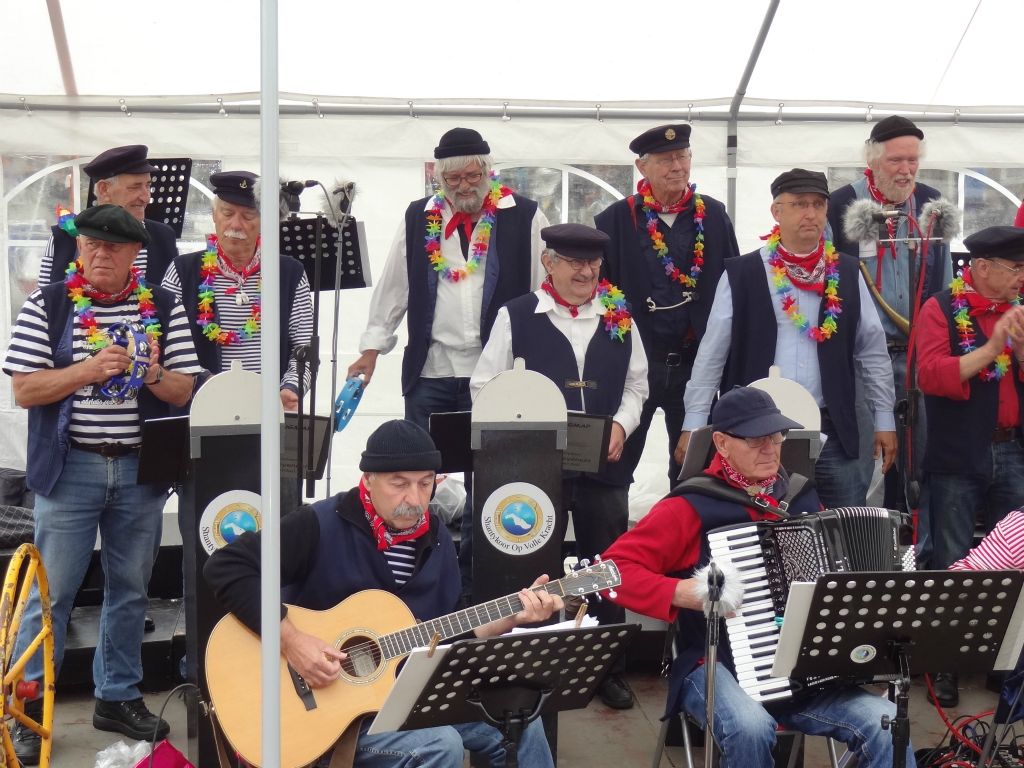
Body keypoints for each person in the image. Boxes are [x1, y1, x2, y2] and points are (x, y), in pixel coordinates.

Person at [203, 419, 561, 768]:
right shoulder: (319, 524)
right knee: (440, 745)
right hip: (327, 718)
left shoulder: (437, 540)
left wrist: (511, 618)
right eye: (399, 484)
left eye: (425, 483)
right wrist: (292, 641)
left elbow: (446, 634)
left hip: (401, 700)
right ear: (368, 479)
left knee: (520, 719)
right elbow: (226, 566)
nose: (414, 498)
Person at [603, 386, 913, 768]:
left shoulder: (800, 497)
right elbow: (613, 570)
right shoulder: (689, 506)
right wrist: (682, 591)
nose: (770, 448)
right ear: (721, 443)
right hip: (714, 664)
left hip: (802, 674)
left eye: (776, 436)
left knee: (885, 723)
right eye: (755, 439)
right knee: (750, 727)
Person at [2, 205, 202, 763]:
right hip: (71, 468)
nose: (100, 255)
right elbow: (24, 389)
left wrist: (151, 371)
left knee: (132, 588)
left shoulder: (163, 307)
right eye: (91, 245)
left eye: (113, 247)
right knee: (51, 594)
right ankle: (28, 707)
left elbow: (185, 389)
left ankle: (117, 695)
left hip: (140, 469)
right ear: (80, 249)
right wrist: (87, 371)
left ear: (136, 253)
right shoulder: (49, 304)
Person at [347, 128, 548, 594]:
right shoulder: (419, 217)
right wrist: (371, 349)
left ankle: (479, 584)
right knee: (415, 481)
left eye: (472, 175)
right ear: (439, 179)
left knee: (489, 480)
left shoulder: (525, 215)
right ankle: (418, 576)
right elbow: (394, 288)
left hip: (495, 375)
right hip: (431, 370)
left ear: (488, 171)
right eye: (453, 178)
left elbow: (542, 293)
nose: (464, 186)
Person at [470, 223, 648, 709]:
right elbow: (484, 386)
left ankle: (606, 669)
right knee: (535, 568)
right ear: (549, 263)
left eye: (593, 263)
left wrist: (622, 426)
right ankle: (533, 667)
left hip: (604, 466)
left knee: (606, 567)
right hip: (535, 471)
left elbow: (637, 385)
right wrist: (524, 430)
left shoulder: (619, 316)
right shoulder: (517, 315)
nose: (586, 272)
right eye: (574, 262)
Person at [677, 169, 897, 509]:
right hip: (756, 434)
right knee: (764, 527)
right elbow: (711, 355)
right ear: (776, 212)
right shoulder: (743, 273)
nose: (810, 214)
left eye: (818, 205)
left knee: (842, 526)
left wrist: (884, 419)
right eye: (799, 204)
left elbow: (872, 352)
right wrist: (694, 422)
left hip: (833, 430)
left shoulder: (848, 272)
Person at [827, 115, 953, 564]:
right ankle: (870, 561)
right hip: (863, 361)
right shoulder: (840, 204)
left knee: (923, 462)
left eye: (913, 160)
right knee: (869, 461)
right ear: (873, 159)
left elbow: (944, 285)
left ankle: (924, 560)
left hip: (919, 356)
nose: (906, 170)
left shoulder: (932, 204)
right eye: (897, 160)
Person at [916, 225, 1024, 707]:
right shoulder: (940, 308)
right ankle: (943, 663)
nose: (1021, 277)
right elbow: (932, 375)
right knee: (953, 561)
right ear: (981, 267)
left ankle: (1005, 661)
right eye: (1015, 268)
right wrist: (991, 348)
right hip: (959, 453)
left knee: (1015, 561)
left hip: (1014, 448)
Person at [595, 124, 739, 483]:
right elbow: (598, 293)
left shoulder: (714, 216)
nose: (677, 166)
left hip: (695, 368)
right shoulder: (614, 220)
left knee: (696, 471)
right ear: (642, 167)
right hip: (635, 368)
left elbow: (733, 286)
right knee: (612, 467)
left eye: (682, 156)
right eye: (665, 160)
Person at [161, 170, 314, 412]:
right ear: (214, 215)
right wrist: (208, 386)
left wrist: (291, 388)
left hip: (269, 410)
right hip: (200, 409)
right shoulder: (182, 270)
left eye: (248, 215)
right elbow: (167, 345)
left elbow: (304, 348)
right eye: (227, 213)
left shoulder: (289, 273)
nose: (235, 225)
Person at [39, 144, 178, 288]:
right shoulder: (63, 238)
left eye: (148, 186)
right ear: (104, 189)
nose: (146, 197)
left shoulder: (164, 237)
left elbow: (173, 299)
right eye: (135, 187)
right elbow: (44, 298)